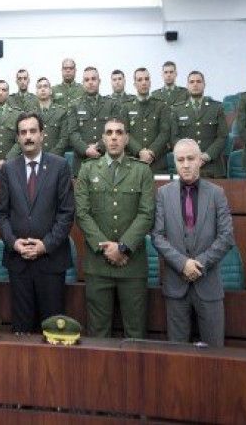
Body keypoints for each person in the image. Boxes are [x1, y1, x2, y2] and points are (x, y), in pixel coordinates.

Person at [74, 118, 155, 338]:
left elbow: (147, 214)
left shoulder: (142, 171)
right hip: (98, 265)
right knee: (98, 334)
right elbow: (82, 213)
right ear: (102, 138)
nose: (114, 137)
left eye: (119, 132)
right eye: (109, 133)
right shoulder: (88, 169)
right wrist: (107, 248)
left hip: (133, 265)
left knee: (136, 334)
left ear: (127, 138)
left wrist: (123, 247)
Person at [151, 139, 235, 346]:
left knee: (215, 351)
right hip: (175, 286)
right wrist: (182, 264)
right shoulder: (162, 194)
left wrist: (198, 264)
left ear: (200, 160)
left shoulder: (217, 193)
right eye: (180, 160)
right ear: (175, 163)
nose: (186, 164)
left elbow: (227, 237)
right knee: (177, 354)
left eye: (191, 159)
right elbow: (157, 236)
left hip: (208, 284)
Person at [0, 112, 75, 333]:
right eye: (23, 132)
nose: (28, 136)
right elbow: (1, 215)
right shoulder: (8, 169)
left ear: (42, 135)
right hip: (18, 262)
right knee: (22, 331)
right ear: (17, 138)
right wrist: (14, 243)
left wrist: (44, 245)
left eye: (33, 131)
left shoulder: (60, 166)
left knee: (52, 330)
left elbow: (66, 213)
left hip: (50, 261)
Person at [170, 71, 228, 178]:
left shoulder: (216, 107)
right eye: (192, 82)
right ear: (187, 86)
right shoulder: (177, 110)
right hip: (187, 167)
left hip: (212, 167)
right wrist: (191, 156)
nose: (195, 84)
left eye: (198, 81)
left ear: (204, 84)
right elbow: (174, 138)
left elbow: (223, 136)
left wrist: (207, 155)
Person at [67, 66, 119, 175]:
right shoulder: (74, 105)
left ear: (99, 81)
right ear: (83, 83)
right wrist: (86, 149)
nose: (90, 82)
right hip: (82, 162)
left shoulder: (111, 104)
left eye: (93, 79)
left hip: (106, 161)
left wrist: (98, 147)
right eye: (87, 80)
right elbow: (72, 133)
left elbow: (114, 131)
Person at [121, 68, 171, 173]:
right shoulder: (126, 107)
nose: (144, 82)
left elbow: (165, 133)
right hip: (133, 161)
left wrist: (151, 152)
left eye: (146, 79)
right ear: (134, 84)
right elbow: (124, 133)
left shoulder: (161, 106)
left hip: (157, 163)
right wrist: (140, 151)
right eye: (139, 80)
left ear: (150, 82)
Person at [35, 77, 68, 156]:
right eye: (40, 87)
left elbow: (64, 138)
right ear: (36, 92)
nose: (43, 89)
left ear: (50, 91)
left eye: (45, 86)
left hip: (56, 158)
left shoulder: (61, 112)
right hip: (36, 157)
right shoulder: (31, 113)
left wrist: (52, 156)